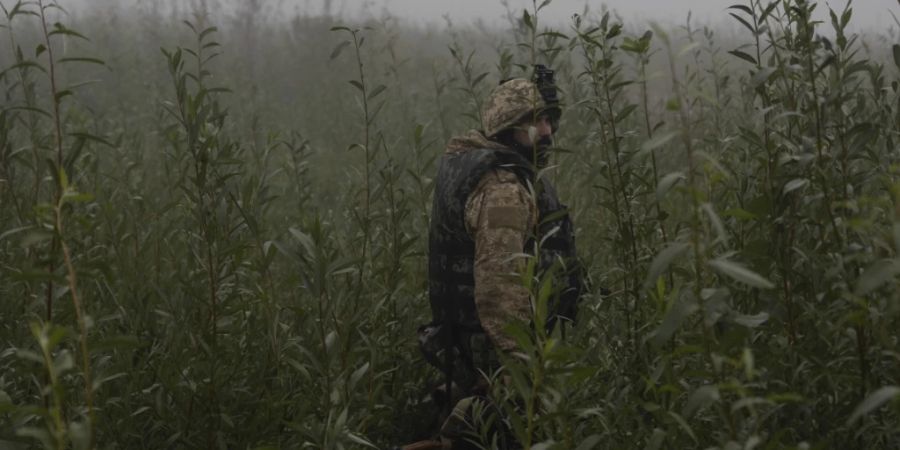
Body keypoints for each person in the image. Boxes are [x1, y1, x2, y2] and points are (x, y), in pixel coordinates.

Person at [402, 66, 584, 449]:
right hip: (493, 344)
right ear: (508, 129)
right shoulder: (501, 188)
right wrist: (521, 361)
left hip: (471, 338)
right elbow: (499, 281)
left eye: (548, 120)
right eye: (534, 122)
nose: (548, 131)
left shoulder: (485, 170)